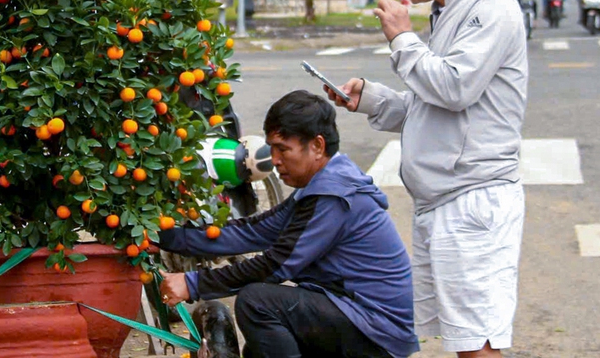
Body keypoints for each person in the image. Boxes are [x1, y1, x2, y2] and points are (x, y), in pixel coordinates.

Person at [326, 0, 527, 358]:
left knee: (478, 345)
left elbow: (455, 87)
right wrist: (372, 100)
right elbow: (435, 106)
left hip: (472, 200)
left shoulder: (489, 5)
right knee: (463, 341)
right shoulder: (449, 9)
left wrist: (401, 38)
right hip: (444, 200)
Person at [158, 91, 419, 358]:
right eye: (271, 148)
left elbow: (276, 265)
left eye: (283, 149)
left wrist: (193, 283)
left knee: (257, 302)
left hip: (376, 331)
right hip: (355, 315)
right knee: (259, 349)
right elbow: (253, 231)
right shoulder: (319, 186)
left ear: (317, 146)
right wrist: (164, 238)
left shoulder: (333, 195)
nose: (275, 160)